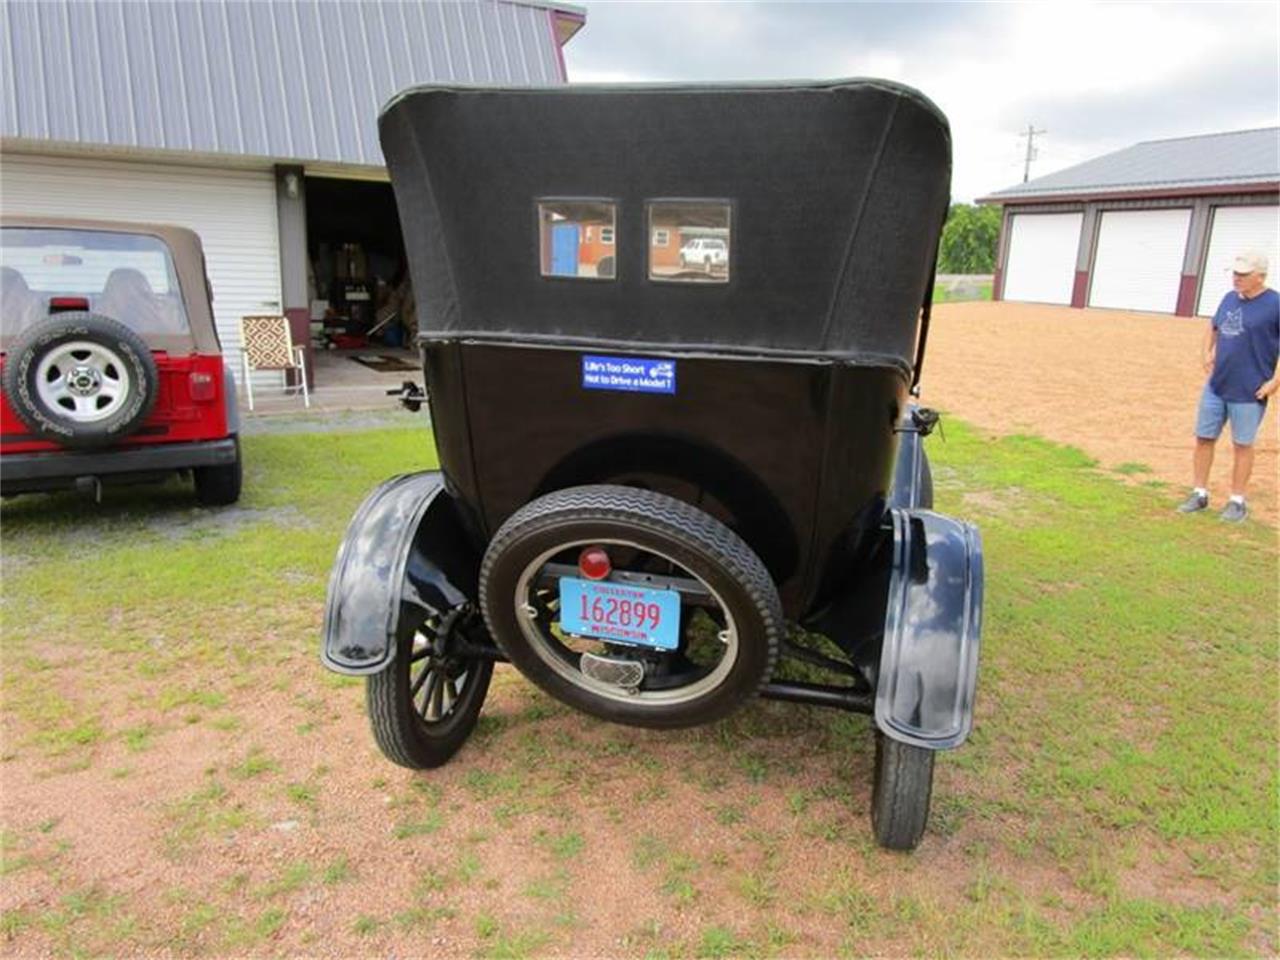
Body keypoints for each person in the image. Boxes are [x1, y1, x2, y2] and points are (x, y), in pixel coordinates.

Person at [1177, 251, 1279, 522]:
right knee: (1204, 438)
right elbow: (1213, 327)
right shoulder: (1229, 298)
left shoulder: (1275, 305)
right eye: (1235, 273)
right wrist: (1206, 353)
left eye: (1243, 275)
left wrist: (1274, 382)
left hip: (1250, 389)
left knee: (1242, 444)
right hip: (1217, 385)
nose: (1237, 278)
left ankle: (1237, 500)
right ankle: (1199, 493)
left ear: (1260, 276)